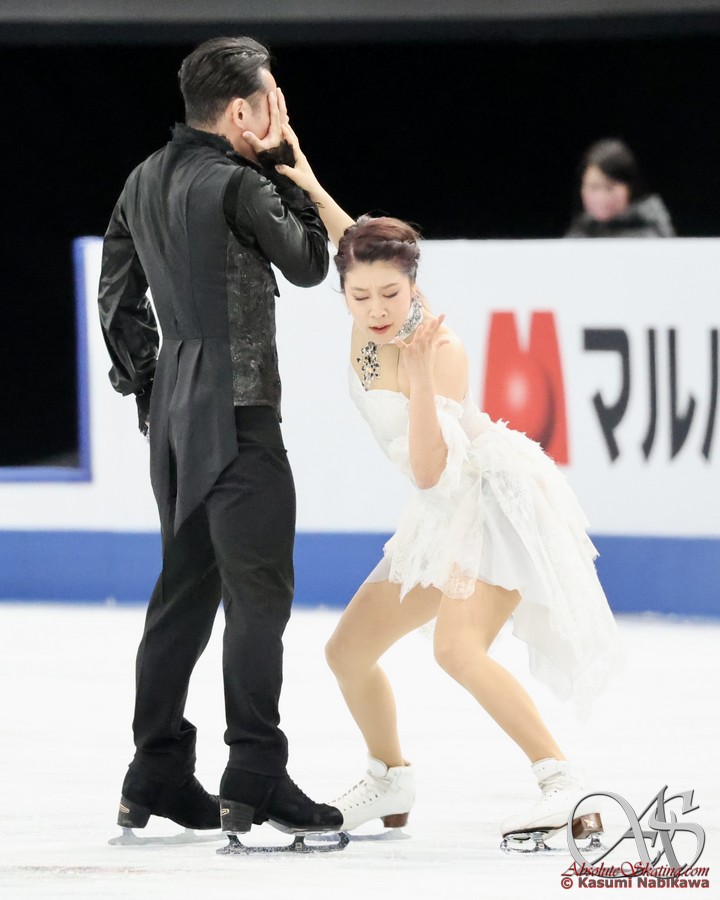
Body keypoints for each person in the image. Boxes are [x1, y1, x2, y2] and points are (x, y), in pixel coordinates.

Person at [273, 123, 623, 848]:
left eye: (391, 293)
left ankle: (565, 786)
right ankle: (390, 778)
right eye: (360, 294)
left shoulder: (439, 349)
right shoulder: (365, 293)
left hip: (489, 506)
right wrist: (306, 178)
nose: (376, 309)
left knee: (457, 650)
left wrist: (424, 379)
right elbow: (350, 239)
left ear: (413, 287)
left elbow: (433, 471)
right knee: (346, 652)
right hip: (442, 511)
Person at [98, 36, 342, 840]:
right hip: (239, 415)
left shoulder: (141, 179)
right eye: (272, 100)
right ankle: (255, 771)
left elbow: (116, 300)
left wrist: (151, 387)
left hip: (176, 411)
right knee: (257, 598)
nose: (279, 112)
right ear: (243, 111)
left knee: (184, 594)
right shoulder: (239, 184)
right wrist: (287, 169)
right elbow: (309, 262)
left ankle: (156, 767)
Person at [565, 138, 675, 238]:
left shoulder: (653, 234)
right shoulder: (580, 231)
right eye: (594, 187)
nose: (601, 197)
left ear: (630, 188)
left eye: (610, 187)